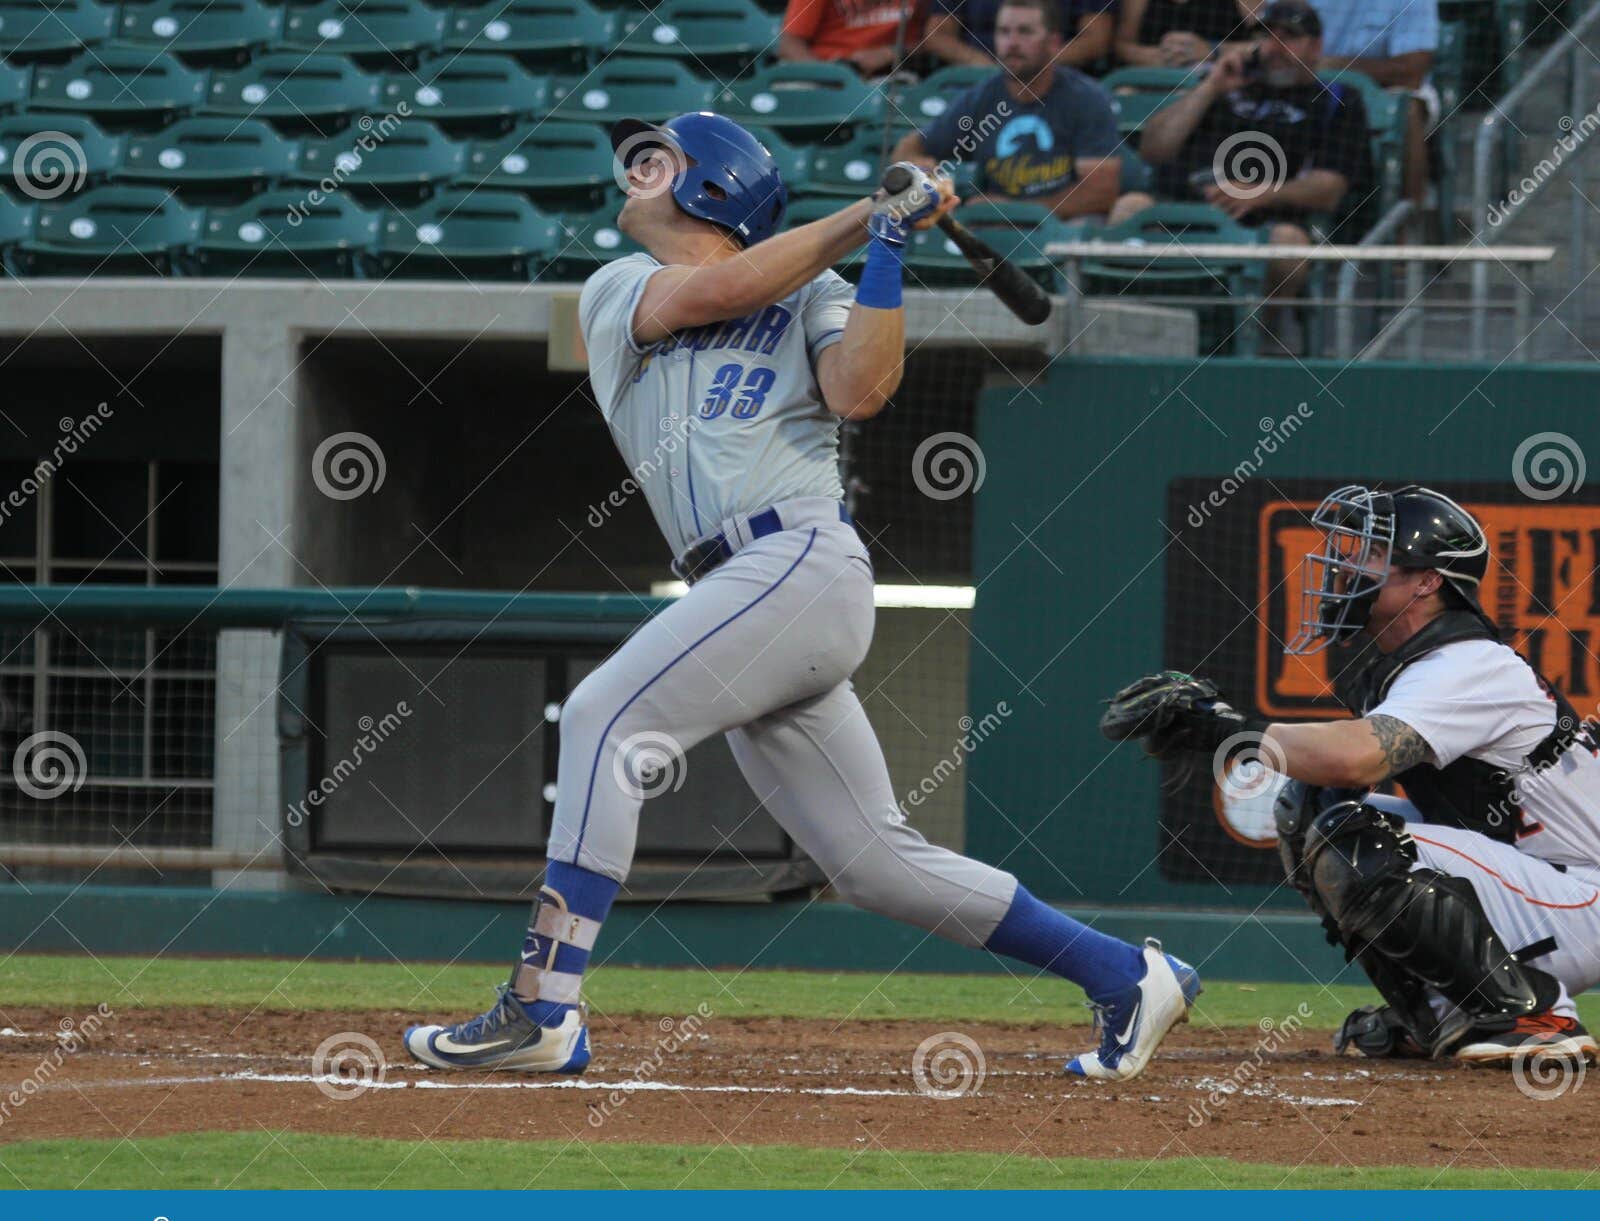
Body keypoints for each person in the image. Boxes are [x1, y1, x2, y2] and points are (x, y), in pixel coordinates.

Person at [403, 111, 1201, 1084]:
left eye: (658, 158)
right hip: (743, 591)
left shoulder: (822, 286)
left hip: (796, 561)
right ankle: (1126, 972)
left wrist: (888, 250)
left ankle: (541, 1007)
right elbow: (723, 288)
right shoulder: (618, 289)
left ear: (714, 185)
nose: (634, 171)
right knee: (872, 861)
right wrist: (866, 215)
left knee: (605, 713)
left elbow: (861, 387)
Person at [1101, 485, 1600, 1065]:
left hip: (1579, 896)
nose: (1344, 566)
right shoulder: (1424, 664)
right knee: (1309, 806)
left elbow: (1359, 756)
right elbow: (1334, 768)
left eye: (1370, 554)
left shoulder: (1468, 663)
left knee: (1355, 837)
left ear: (1427, 580)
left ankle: (1534, 1014)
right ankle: (1442, 1012)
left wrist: (1224, 731)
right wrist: (1232, 734)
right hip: (1539, 882)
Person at [1113, 0, 1371, 354]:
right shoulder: (1224, 87)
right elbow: (1153, 149)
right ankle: (1137, 338)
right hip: (1186, 212)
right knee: (1130, 208)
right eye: (1266, 37)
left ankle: (1246, 342)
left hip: (1262, 225)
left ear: (1316, 46)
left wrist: (1264, 193)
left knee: (1289, 246)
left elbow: (1329, 188)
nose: (1275, 48)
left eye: (1289, 38)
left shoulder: (1337, 100)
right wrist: (1209, 87)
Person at [893, 0, 1122, 220]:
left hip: (1063, 227)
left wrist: (1011, 210)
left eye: (1025, 32)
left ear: (1053, 42)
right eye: (1003, 32)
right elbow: (909, 147)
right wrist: (919, 167)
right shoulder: (981, 97)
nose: (1011, 43)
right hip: (992, 226)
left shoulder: (1086, 99)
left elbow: (1099, 194)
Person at [1313, 0, 1437, 224]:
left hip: (1386, 90)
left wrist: (1335, 66)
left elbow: (1411, 72)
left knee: (1407, 110)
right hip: (1307, 85)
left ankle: (1405, 236)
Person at [920, 0, 1115, 70]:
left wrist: (1034, 64)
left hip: (1055, 75)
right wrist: (980, 63)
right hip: (975, 75)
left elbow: (1096, 39)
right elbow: (937, 35)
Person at [779, 0, 927, 76]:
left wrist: (894, 52)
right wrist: (829, 75)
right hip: (829, 69)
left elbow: (934, 40)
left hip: (892, 75)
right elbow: (789, 45)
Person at [1115, 0, 1262, 67]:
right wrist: (1156, 56)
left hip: (1220, 92)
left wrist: (1212, 50)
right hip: (1153, 87)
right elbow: (1121, 45)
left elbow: (1266, 47)